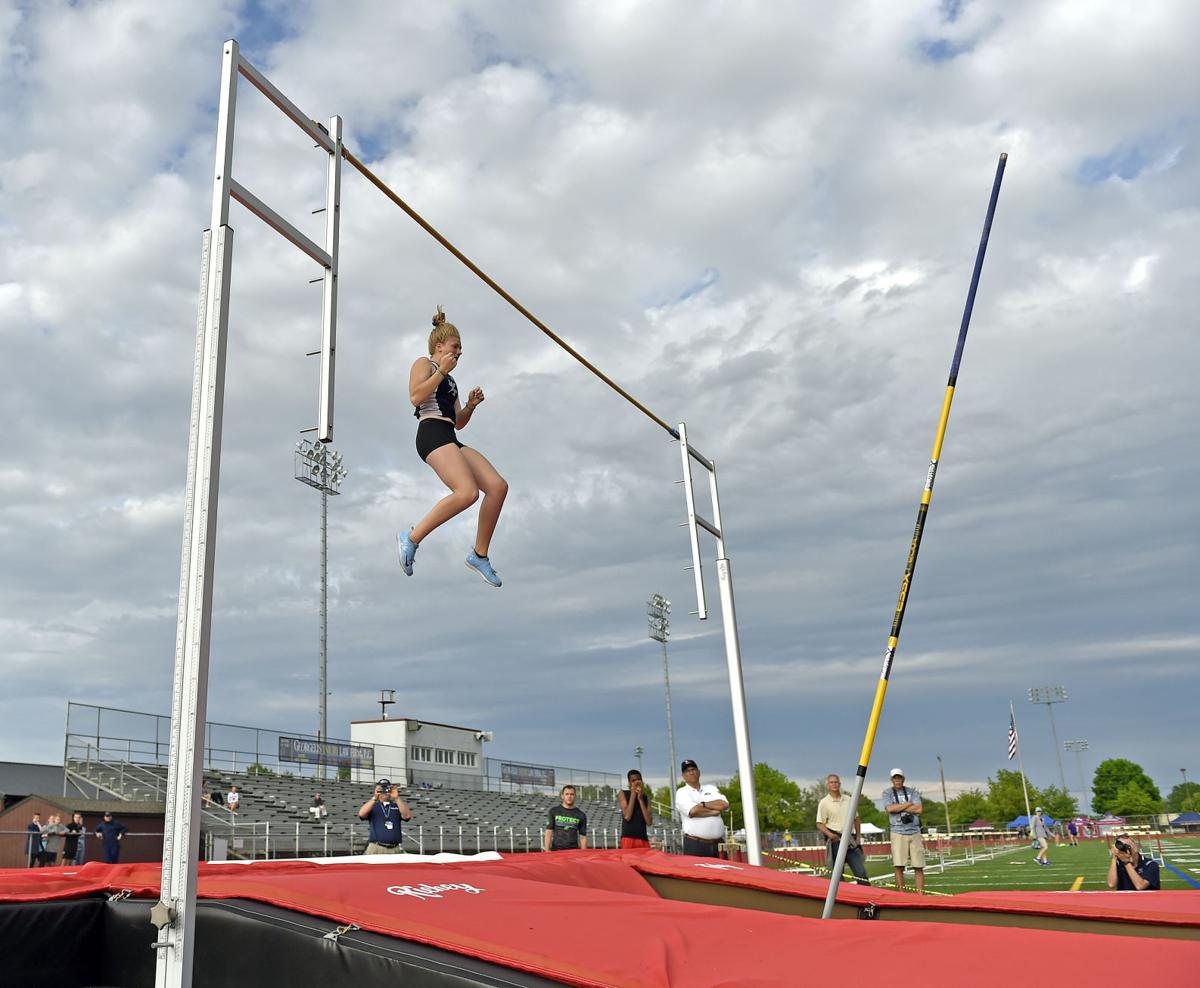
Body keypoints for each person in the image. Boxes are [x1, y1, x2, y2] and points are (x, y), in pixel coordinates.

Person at [397, 306, 508, 589]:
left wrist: (470, 405)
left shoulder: (451, 380)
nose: (459, 352)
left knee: (497, 487)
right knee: (467, 493)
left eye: (461, 348)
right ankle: (411, 538)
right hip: (431, 433)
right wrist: (440, 372)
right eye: (455, 346)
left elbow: (458, 422)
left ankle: (479, 555)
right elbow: (415, 396)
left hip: (449, 434)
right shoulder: (424, 364)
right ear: (439, 346)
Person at [816, 774, 870, 886]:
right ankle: (841, 899)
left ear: (839, 784)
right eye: (831, 782)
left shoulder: (849, 799)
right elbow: (820, 823)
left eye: (836, 782)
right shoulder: (824, 802)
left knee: (861, 872)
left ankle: (867, 899)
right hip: (836, 841)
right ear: (828, 785)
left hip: (850, 840)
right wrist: (830, 835)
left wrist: (858, 837)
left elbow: (856, 819)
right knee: (837, 875)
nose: (834, 784)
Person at [674, 759, 728, 859]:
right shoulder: (682, 792)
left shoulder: (711, 788)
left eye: (693, 769)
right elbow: (693, 811)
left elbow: (724, 805)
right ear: (683, 776)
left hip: (718, 844)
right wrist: (714, 811)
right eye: (687, 771)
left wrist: (703, 804)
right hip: (695, 844)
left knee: (724, 874)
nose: (691, 772)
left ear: (699, 772)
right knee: (698, 874)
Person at [884, 768, 926, 892]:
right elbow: (890, 809)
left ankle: (920, 895)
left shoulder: (912, 791)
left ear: (903, 779)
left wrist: (899, 808)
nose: (897, 780)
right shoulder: (887, 793)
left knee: (918, 865)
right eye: (895, 778)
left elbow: (919, 810)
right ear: (891, 780)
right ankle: (901, 894)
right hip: (897, 831)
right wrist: (908, 804)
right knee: (899, 865)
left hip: (914, 831)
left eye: (899, 778)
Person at [358, 779, 413, 854]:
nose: (384, 791)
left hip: (395, 848)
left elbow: (407, 816)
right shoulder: (372, 805)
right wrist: (375, 797)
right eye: (382, 789)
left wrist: (397, 798)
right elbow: (361, 814)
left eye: (386, 788)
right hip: (376, 847)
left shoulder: (397, 805)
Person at [545, 785, 589, 851]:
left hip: (573, 851)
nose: (569, 796)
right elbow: (548, 831)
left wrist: (584, 853)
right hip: (556, 851)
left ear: (575, 796)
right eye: (567, 794)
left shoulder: (581, 815)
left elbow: (583, 836)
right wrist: (547, 850)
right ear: (562, 796)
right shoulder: (553, 811)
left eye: (572, 794)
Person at [618, 770, 653, 849]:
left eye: (638, 779)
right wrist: (633, 793)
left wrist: (640, 799)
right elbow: (627, 816)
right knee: (628, 861)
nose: (636, 782)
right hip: (628, 838)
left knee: (645, 861)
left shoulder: (646, 797)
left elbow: (649, 822)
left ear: (641, 780)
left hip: (643, 838)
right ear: (629, 782)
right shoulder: (622, 793)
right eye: (633, 780)